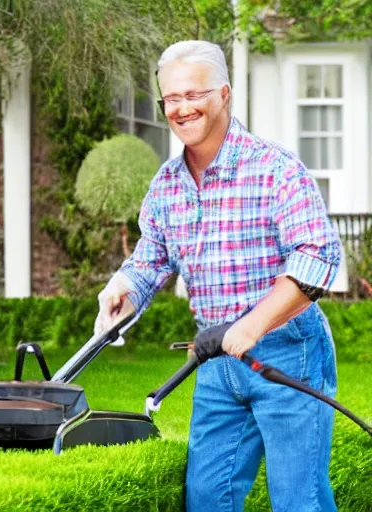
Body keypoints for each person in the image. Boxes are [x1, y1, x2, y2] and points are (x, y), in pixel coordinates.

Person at [95, 40, 342, 511]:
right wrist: (123, 289)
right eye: (171, 98)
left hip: (289, 355)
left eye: (195, 94)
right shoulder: (167, 184)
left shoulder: (274, 168)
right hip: (215, 360)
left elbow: (317, 260)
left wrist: (250, 327)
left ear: (224, 94)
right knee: (209, 498)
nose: (182, 108)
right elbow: (151, 258)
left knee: (299, 500)